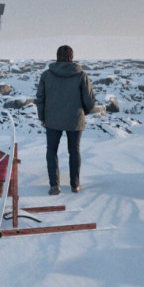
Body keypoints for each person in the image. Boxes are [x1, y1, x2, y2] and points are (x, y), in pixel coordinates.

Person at [35, 45, 96, 195]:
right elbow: (89, 100)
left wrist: (42, 117)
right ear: (71, 56)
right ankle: (75, 185)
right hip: (74, 119)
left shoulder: (47, 75)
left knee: (52, 151)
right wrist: (83, 113)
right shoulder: (81, 75)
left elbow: (40, 98)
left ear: (57, 56)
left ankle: (54, 186)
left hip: (52, 119)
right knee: (74, 151)